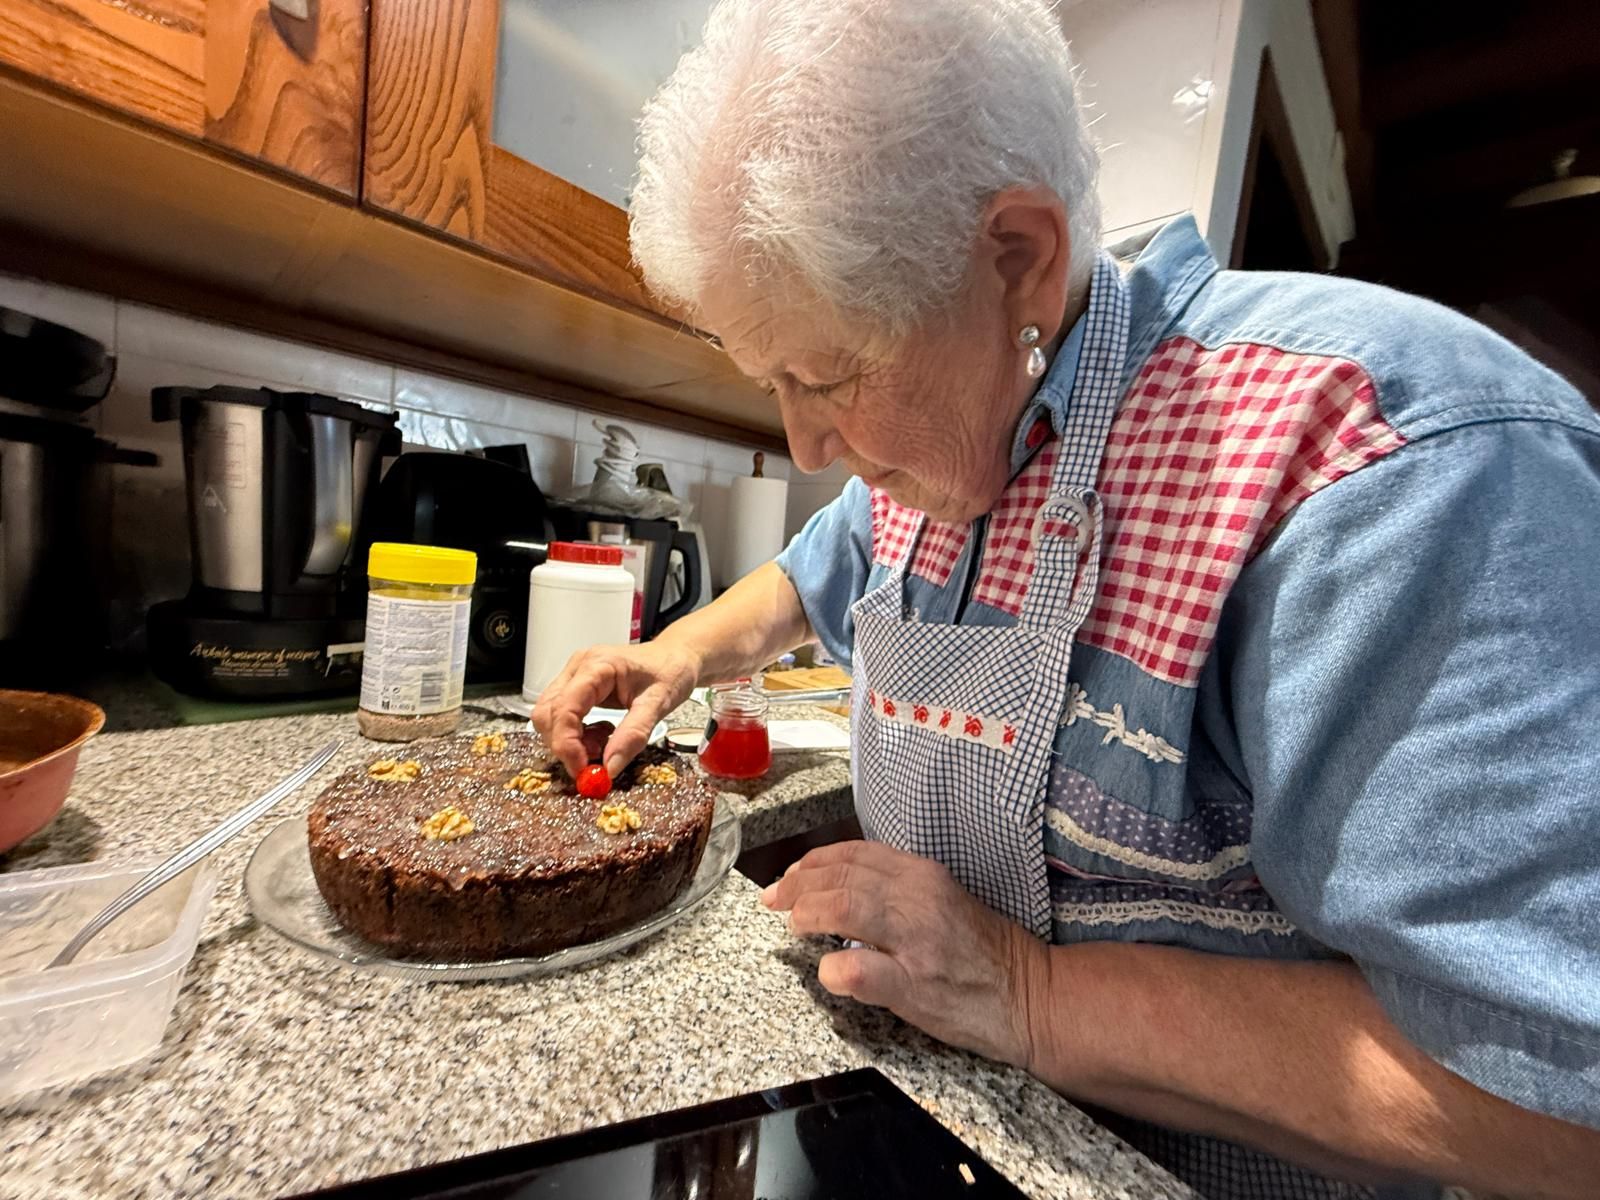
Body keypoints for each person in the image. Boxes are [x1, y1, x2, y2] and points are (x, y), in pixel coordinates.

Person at [532, 1, 1600, 1195]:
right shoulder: (935, 446)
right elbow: (811, 569)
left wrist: (1026, 993)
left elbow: (1559, 1103)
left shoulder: (1381, 467)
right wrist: (679, 651)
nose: (807, 443)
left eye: (826, 375)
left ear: (1018, 258)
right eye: (772, 379)